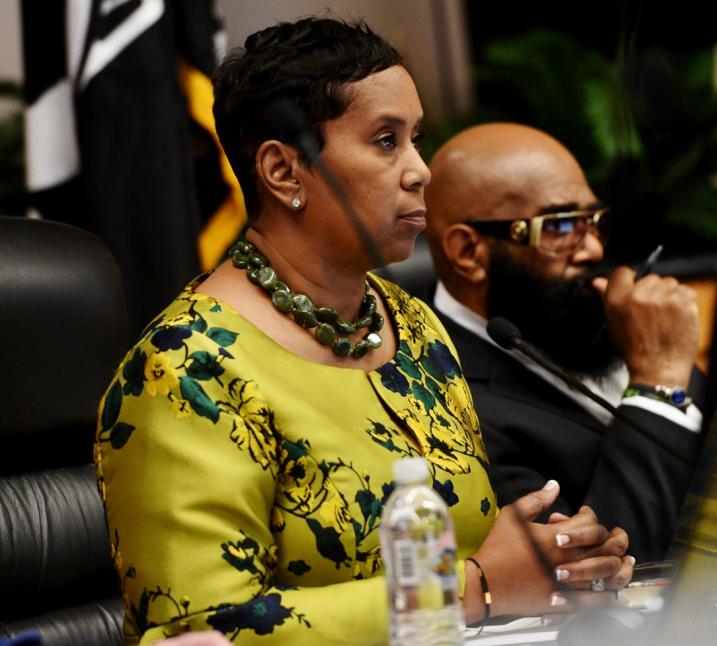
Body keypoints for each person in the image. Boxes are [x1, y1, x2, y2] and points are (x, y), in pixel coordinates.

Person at [95, 19, 633, 645]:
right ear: (284, 171)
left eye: (416, 139)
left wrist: (554, 562)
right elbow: (198, 634)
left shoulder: (412, 321)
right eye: (386, 141)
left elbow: (468, 553)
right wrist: (473, 588)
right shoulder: (183, 371)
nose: (421, 171)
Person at [424, 123, 704, 562]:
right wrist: (656, 384)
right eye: (558, 227)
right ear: (469, 252)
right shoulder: (446, 403)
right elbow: (592, 572)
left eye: (594, 221)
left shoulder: (592, 320)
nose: (592, 248)